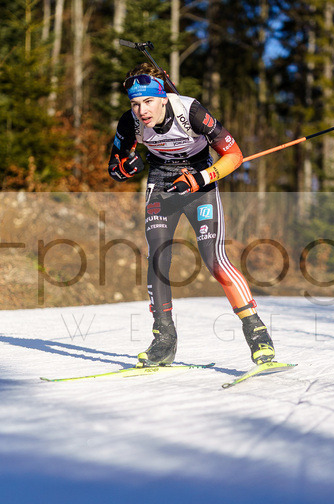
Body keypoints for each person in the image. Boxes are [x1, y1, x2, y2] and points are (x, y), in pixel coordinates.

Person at [108, 62, 275, 367]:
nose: (142, 111)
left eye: (148, 102)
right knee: (158, 256)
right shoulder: (129, 123)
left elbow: (234, 155)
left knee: (213, 258)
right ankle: (164, 340)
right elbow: (115, 166)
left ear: (162, 98)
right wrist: (124, 168)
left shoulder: (190, 112)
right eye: (135, 104)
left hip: (199, 181)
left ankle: (257, 332)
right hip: (161, 182)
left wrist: (202, 178)